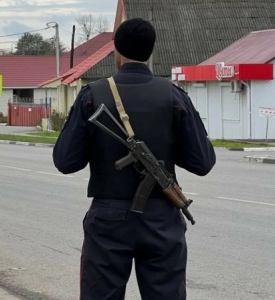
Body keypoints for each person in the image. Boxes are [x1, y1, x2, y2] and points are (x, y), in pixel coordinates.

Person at [52, 18, 216, 299]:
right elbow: (202, 162)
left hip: (108, 218)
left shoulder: (92, 95)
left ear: (116, 50)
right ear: (151, 52)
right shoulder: (174, 96)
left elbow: (66, 161)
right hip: (162, 218)